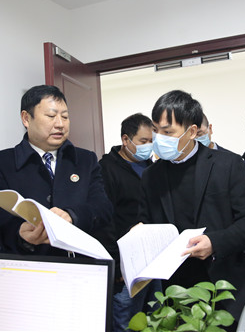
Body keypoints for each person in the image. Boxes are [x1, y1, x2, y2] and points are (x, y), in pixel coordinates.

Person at [138, 90, 245, 329]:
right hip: (178, 290)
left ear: (192, 131)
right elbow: (147, 221)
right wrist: (141, 232)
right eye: (155, 130)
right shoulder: (151, 176)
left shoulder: (227, 164)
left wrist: (214, 242)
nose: (159, 138)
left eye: (167, 132)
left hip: (227, 284)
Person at [0, 84, 113, 256]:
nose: (60, 124)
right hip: (26, 263)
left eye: (65, 117)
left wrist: (72, 216)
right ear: (26, 119)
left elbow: (102, 207)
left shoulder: (86, 160)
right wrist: (19, 231)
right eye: (51, 116)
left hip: (78, 262)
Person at [96, 113, 160, 332]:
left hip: (152, 261)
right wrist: (116, 265)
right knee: (126, 322)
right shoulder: (106, 169)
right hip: (125, 267)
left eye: (151, 140)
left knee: (155, 319)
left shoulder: (151, 168)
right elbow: (105, 221)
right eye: (143, 141)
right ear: (126, 140)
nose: (149, 146)